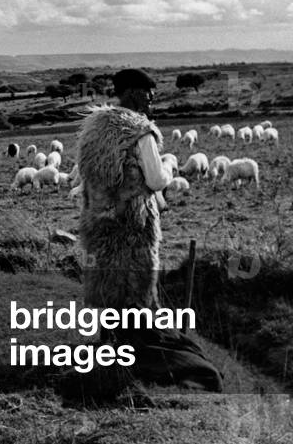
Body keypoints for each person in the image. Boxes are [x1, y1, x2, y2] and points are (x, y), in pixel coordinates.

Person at [76, 68, 223, 392]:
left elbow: (86, 179)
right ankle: (140, 353)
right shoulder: (139, 132)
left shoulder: (94, 130)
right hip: (133, 225)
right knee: (137, 289)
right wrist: (170, 168)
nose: (153, 99)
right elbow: (156, 180)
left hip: (100, 226)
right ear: (131, 93)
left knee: (108, 287)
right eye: (148, 93)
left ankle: (111, 348)